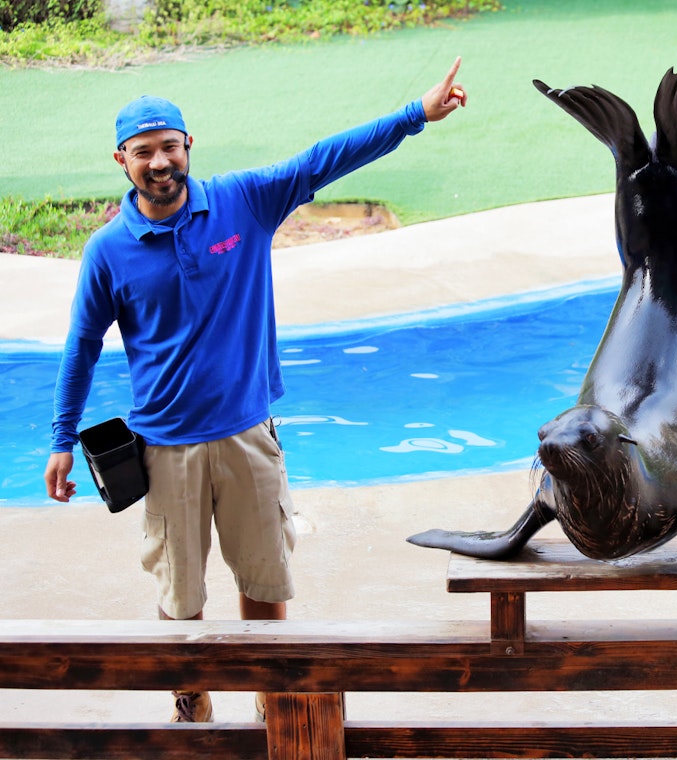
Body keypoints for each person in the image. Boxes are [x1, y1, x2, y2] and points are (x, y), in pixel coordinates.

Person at [42, 56, 467, 723]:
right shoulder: (108, 251)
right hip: (164, 450)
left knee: (266, 587)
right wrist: (62, 438)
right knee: (178, 601)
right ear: (121, 159)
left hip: (247, 436)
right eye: (145, 151)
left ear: (189, 147)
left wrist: (416, 115)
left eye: (171, 147)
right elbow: (83, 346)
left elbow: (323, 160)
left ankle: (277, 712)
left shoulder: (244, 201)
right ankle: (192, 707)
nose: (161, 162)